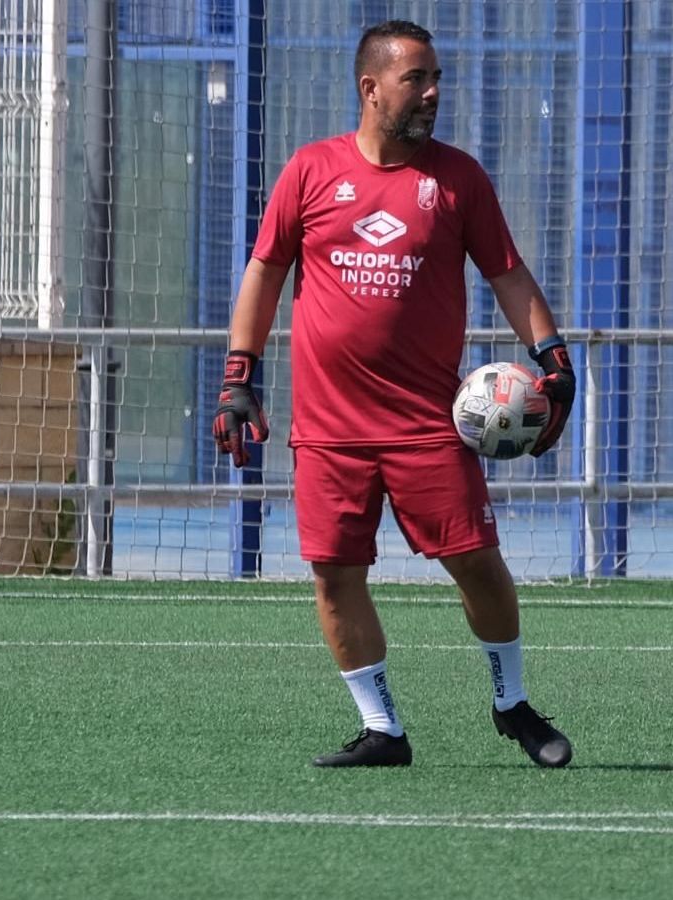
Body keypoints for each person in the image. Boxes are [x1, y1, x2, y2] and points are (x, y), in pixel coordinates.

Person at [212, 20, 577, 769]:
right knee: (334, 574)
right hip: (329, 430)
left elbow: (507, 274)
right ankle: (383, 729)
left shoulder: (457, 180)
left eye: (436, 77)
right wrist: (237, 378)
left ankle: (512, 705)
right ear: (370, 87)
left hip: (427, 424)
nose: (433, 92)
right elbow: (264, 272)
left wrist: (556, 360)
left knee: (477, 561)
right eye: (417, 79)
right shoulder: (312, 172)